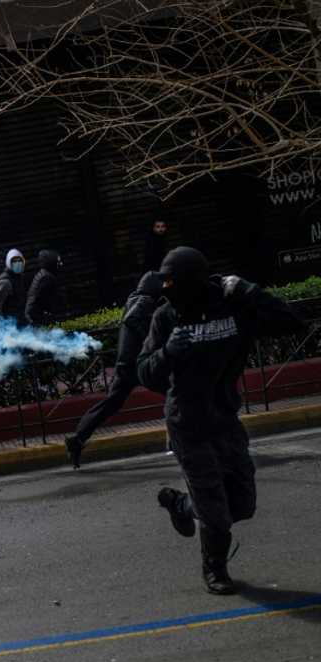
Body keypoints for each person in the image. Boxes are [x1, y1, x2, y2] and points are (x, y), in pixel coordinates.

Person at [138, 247, 304, 595]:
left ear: (192, 281)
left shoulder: (232, 305)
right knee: (215, 511)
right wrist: (168, 352)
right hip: (187, 424)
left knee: (242, 504)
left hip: (225, 420)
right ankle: (215, 570)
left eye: (172, 280)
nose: (166, 287)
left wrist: (248, 290)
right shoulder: (165, 317)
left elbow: (293, 323)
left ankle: (181, 503)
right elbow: (145, 373)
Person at [65, 270, 163, 468]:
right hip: (137, 365)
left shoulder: (135, 299)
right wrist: (150, 341)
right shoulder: (144, 301)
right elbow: (132, 320)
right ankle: (183, 439)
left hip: (126, 364)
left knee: (110, 404)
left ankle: (77, 439)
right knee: (174, 390)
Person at [25, 249, 64, 326]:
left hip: (35, 316)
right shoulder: (47, 278)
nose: (61, 264)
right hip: (36, 319)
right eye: (58, 262)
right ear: (51, 262)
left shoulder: (44, 274)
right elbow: (40, 300)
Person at [0, 249, 27, 323]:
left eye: (20, 261)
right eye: (14, 261)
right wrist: (4, 325)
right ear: (8, 263)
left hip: (19, 320)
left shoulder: (18, 277)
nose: (18, 263)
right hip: (10, 324)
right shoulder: (5, 282)